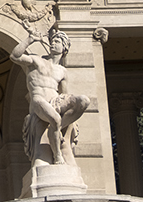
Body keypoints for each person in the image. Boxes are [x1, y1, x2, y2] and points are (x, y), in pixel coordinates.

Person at [10, 26, 90, 165]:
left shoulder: (62, 71)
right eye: (53, 41)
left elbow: (65, 94)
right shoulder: (36, 60)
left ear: (64, 48)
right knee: (55, 120)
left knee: (83, 101)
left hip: (55, 100)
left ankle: (56, 129)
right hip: (38, 99)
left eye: (58, 41)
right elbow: (15, 56)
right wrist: (30, 39)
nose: (53, 43)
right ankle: (57, 155)